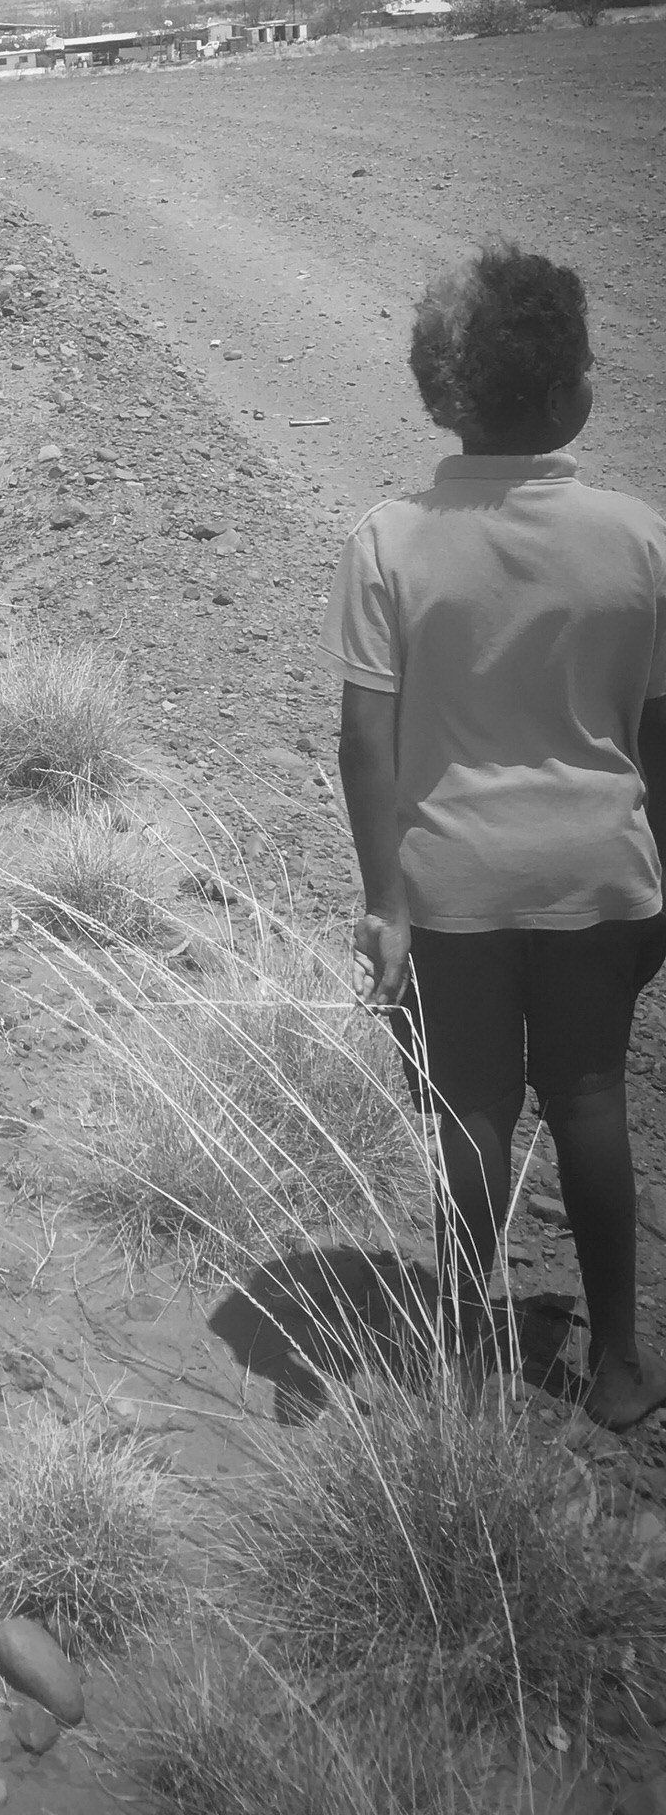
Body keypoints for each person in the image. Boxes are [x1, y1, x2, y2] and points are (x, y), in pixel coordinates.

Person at [325, 241, 666, 1429]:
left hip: (449, 883)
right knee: (588, 1100)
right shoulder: (637, 538)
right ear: (578, 387)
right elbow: (660, 740)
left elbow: (365, 744)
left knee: (470, 1107)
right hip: (603, 872)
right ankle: (620, 1361)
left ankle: (467, 1344)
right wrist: (654, 876)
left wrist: (386, 900)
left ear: (437, 390)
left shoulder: (391, 538)